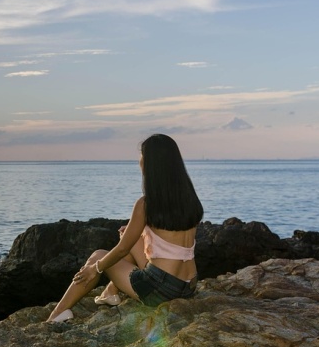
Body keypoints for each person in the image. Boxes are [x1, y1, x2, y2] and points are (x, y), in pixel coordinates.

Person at [46, 134, 203, 323]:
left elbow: (122, 250)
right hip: (188, 285)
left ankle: (57, 314)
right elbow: (169, 239)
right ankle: (110, 292)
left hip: (161, 290)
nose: (140, 160)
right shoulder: (190, 199)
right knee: (130, 236)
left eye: (142, 156)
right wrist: (133, 233)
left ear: (149, 163)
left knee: (98, 255)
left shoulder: (146, 204)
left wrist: (95, 268)